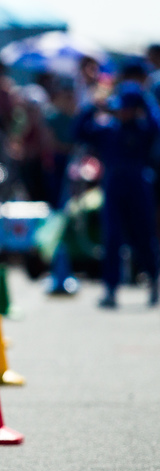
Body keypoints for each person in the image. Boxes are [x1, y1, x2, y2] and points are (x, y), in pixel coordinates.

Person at [74, 82, 160, 308]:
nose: (121, 111)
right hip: (113, 184)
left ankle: (153, 279)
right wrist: (93, 106)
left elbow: (156, 124)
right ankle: (111, 289)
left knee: (143, 237)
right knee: (112, 238)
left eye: (127, 107)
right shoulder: (108, 129)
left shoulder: (143, 130)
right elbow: (80, 132)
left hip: (138, 184)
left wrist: (144, 101)